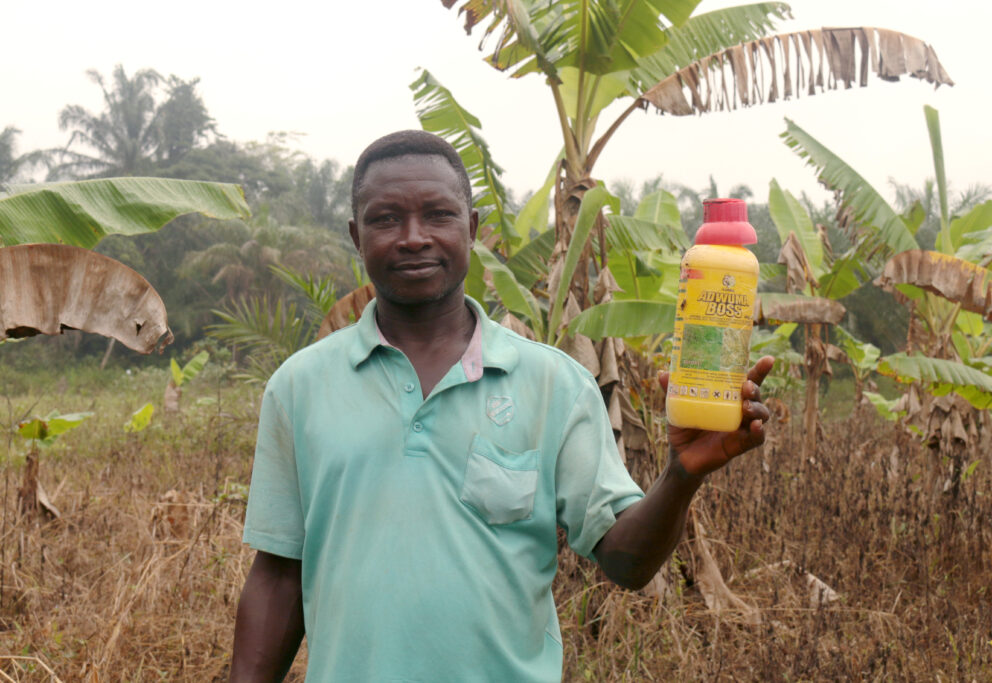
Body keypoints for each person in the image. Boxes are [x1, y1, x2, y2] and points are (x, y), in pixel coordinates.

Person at [229, 130, 773, 682]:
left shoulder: (553, 385)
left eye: (438, 215)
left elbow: (625, 562)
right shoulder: (300, 387)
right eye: (385, 219)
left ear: (472, 228)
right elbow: (277, 576)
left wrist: (681, 474)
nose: (413, 238)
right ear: (356, 234)